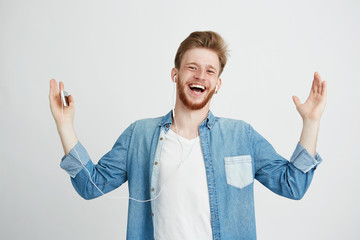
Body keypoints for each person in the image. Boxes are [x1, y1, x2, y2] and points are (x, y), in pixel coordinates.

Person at [49, 31, 327, 240]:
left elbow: (293, 186)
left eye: (210, 71)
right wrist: (65, 125)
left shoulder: (241, 135)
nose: (200, 76)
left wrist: (311, 122)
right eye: (192, 67)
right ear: (176, 74)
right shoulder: (140, 135)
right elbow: (90, 186)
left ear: (218, 84)